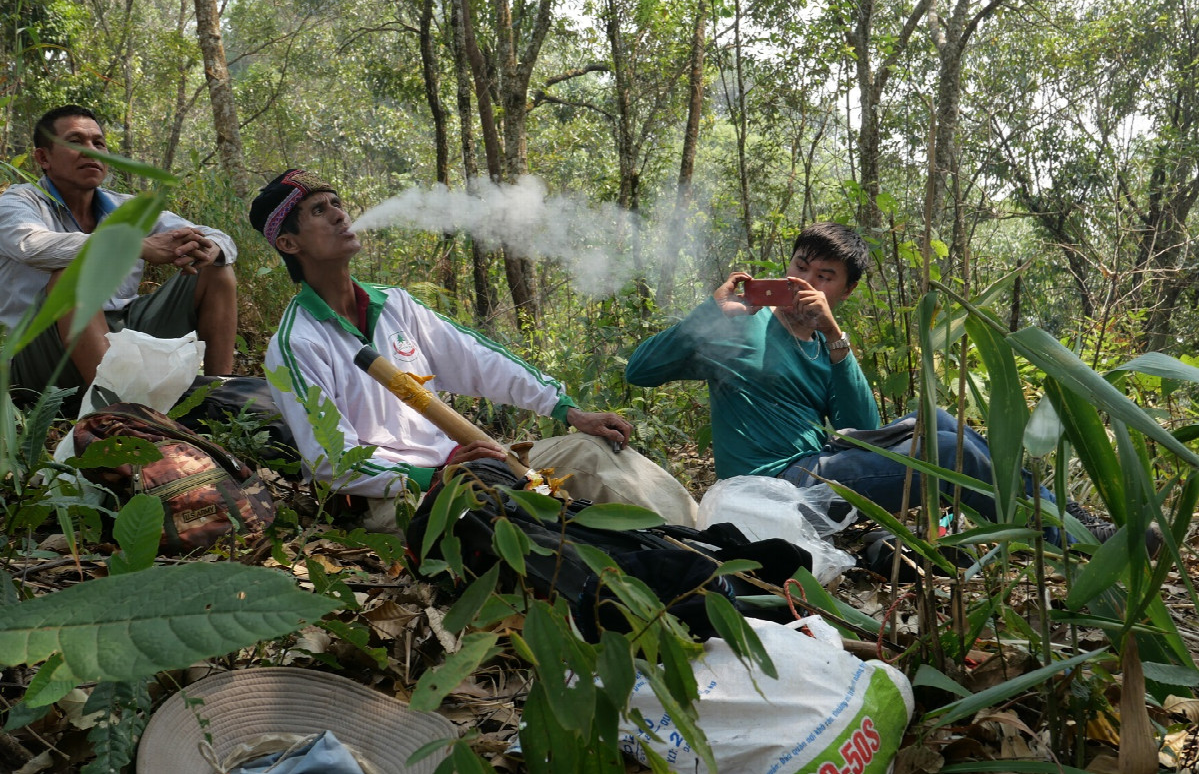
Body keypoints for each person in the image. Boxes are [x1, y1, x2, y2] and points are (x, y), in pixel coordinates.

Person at [248, 169, 697, 532]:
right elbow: (333, 462)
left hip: (467, 463)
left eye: (337, 204)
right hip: (398, 497)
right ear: (288, 244)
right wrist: (434, 477)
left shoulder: (396, 304)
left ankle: (705, 544)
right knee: (509, 510)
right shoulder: (297, 344)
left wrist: (564, 409)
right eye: (318, 211)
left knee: (591, 453)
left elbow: (480, 360)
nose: (340, 216)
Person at [625, 222, 1064, 532]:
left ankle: (1051, 514)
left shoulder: (824, 345)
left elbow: (862, 428)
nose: (803, 282)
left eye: (824, 277)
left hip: (815, 468)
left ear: (846, 291)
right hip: (770, 487)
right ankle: (1054, 530)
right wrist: (709, 314)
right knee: (950, 453)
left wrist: (835, 336)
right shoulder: (740, 325)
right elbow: (640, 371)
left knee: (941, 422)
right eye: (799, 267)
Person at [0, 105, 238, 405]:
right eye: (75, 142)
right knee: (72, 275)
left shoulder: (129, 208)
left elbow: (220, 238)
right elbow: (30, 245)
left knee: (216, 268)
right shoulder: (18, 201)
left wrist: (209, 247)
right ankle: (121, 412)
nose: (93, 152)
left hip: (120, 339)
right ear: (43, 157)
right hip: (40, 357)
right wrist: (132, 246)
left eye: (99, 143)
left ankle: (220, 397)